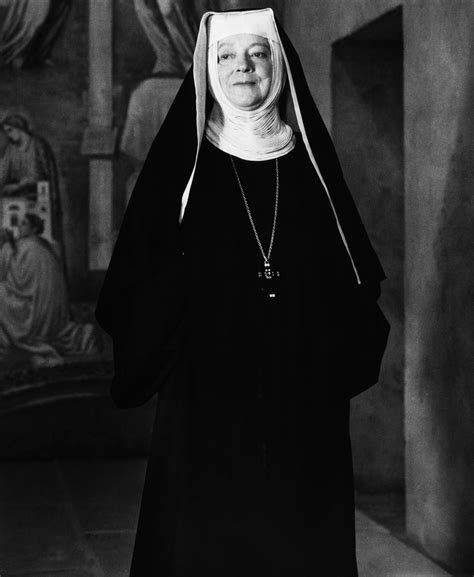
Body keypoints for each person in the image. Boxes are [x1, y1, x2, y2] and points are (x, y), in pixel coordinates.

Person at [95, 8, 390, 577]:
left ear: (276, 63)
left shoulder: (309, 166)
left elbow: (350, 276)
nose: (242, 68)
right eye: (225, 57)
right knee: (206, 538)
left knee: (300, 534)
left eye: (256, 54)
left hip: (300, 390)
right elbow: (136, 275)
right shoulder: (186, 167)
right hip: (207, 390)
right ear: (208, 69)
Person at [0, 213, 96, 369]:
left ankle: (9, 349)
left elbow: (15, 282)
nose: (20, 227)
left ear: (34, 228)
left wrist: (5, 245)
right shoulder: (45, 246)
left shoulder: (27, 247)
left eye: (24, 224)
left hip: (34, 313)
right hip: (45, 310)